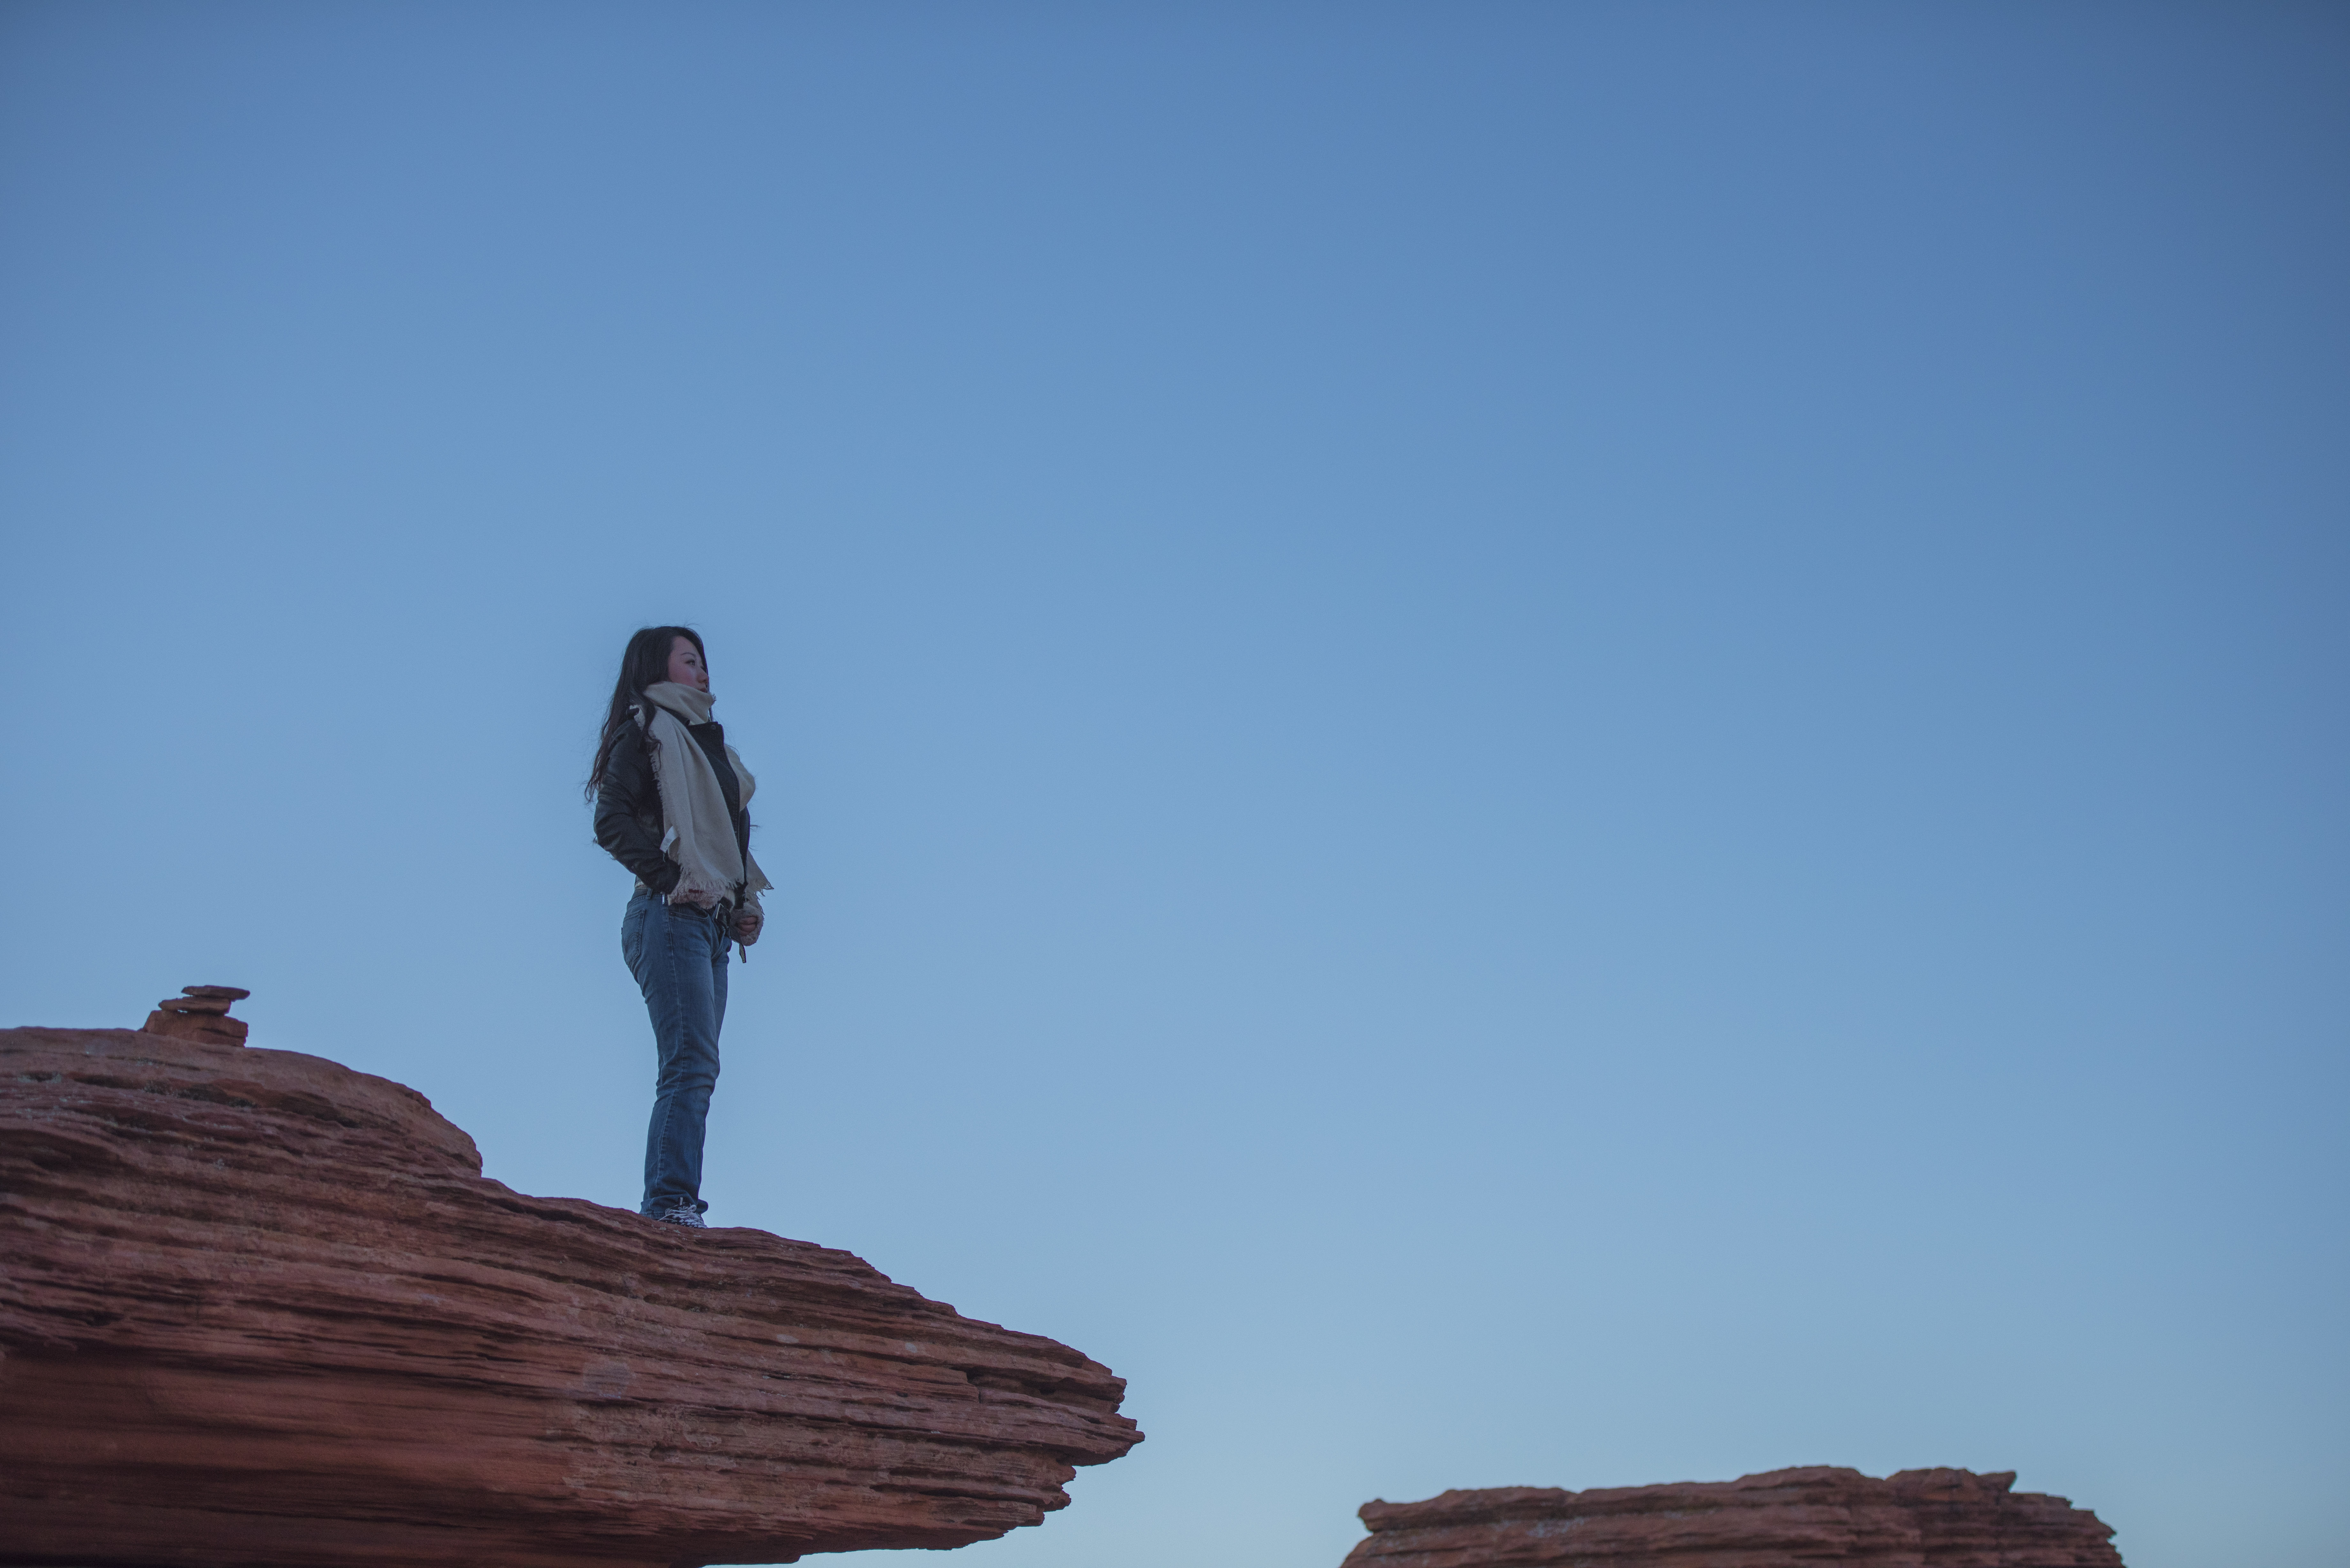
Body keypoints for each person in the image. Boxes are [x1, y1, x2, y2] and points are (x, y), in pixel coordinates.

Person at [588, 626, 771, 1228]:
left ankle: (677, 1200)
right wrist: (673, 879)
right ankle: (669, 1204)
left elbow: (728, 840)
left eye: (705, 662)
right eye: (691, 661)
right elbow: (611, 821)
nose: (705, 673)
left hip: (710, 924)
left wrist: (742, 900)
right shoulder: (647, 730)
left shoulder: (711, 749)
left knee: (701, 1067)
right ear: (658, 670)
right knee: (689, 1064)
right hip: (667, 917)